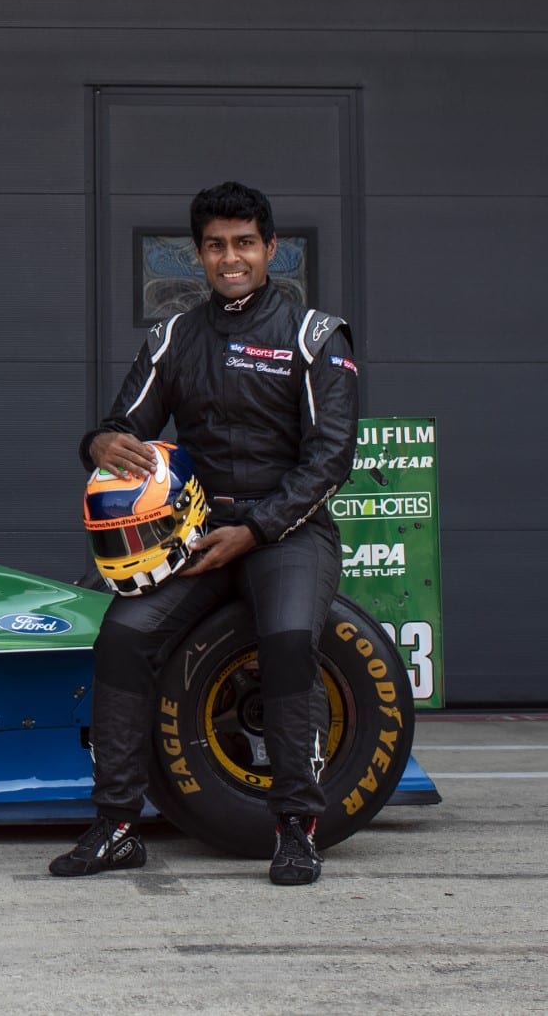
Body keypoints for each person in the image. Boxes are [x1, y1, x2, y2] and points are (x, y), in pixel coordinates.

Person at [51, 181, 358, 887]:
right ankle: (120, 825)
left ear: (270, 248)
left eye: (244, 243)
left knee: (286, 641)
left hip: (290, 532)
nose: (231, 258)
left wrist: (256, 527)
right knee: (124, 635)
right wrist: (100, 443)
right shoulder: (173, 338)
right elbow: (122, 423)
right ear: (198, 256)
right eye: (216, 245)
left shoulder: (315, 337)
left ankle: (296, 828)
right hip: (191, 531)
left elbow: (329, 459)